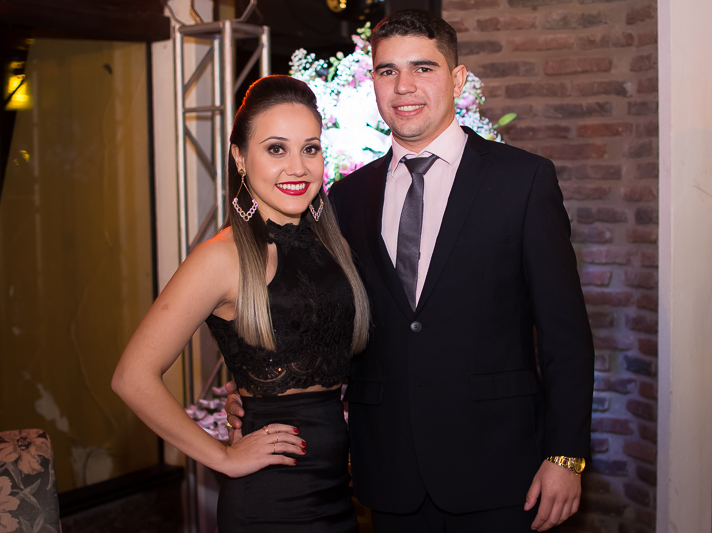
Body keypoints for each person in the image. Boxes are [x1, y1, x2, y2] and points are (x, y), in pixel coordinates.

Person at [226, 9, 595, 532]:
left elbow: (566, 334)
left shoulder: (523, 181)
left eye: (423, 68)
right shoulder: (344, 199)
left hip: (501, 467)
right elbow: (313, 313)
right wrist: (256, 390)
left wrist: (566, 456)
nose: (404, 86)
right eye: (387, 70)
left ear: (457, 79)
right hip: (389, 469)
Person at [113, 75, 370, 532]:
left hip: (338, 493)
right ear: (240, 157)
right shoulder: (221, 257)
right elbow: (132, 377)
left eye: (310, 149)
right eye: (276, 149)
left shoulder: (334, 247)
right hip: (271, 502)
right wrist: (223, 457)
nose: (298, 167)